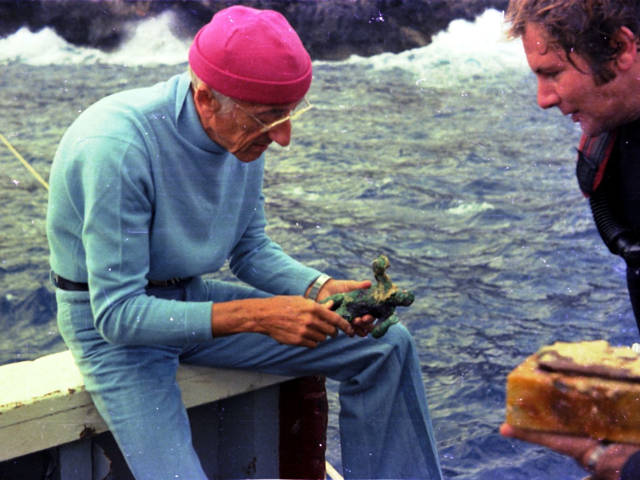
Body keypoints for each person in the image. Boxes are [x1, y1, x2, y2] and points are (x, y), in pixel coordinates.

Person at [45, 5, 443, 479]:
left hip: (186, 299)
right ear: (207, 98)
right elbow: (118, 315)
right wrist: (259, 315)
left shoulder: (243, 130)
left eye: (290, 115)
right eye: (269, 120)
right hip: (111, 330)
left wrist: (321, 289)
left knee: (386, 347)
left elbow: (250, 250)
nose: (284, 138)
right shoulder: (117, 145)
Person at [502, 1, 640, 478]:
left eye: (553, 73)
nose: (543, 99)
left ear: (621, 48)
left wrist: (621, 466)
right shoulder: (615, 144)